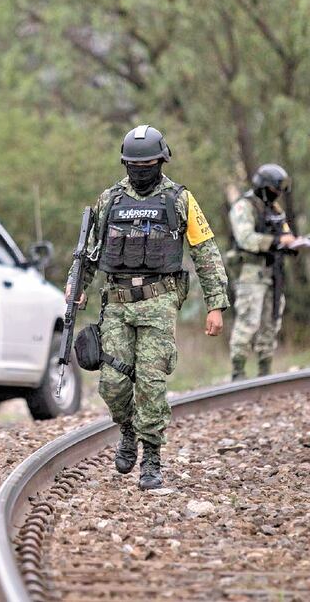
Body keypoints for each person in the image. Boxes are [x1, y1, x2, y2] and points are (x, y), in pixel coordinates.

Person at [67, 125, 229, 490]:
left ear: (161, 162)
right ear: (125, 164)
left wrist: (215, 304)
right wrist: (77, 287)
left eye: (148, 165)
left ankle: (151, 457)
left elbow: (205, 252)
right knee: (112, 384)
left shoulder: (179, 199)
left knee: (151, 384)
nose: (141, 171)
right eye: (134, 165)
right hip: (117, 304)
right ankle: (127, 429)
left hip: (159, 301)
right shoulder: (110, 200)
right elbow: (89, 251)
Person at [228, 164, 295, 380]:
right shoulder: (244, 206)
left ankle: (265, 373)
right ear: (264, 187)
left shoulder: (275, 210)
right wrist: (275, 242)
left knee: (271, 324)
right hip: (251, 274)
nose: (278, 193)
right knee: (248, 323)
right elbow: (245, 238)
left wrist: (292, 244)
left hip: (274, 273)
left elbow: (284, 233)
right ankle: (238, 373)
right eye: (275, 188)